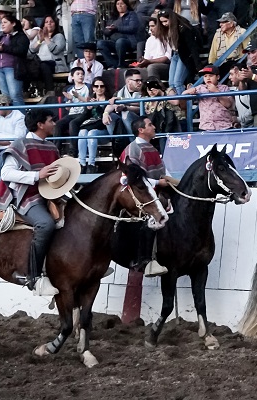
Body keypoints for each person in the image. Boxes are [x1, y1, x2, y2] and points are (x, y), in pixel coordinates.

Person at [0, 109, 70, 296]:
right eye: (51, 120)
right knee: (45, 224)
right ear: (40, 124)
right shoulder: (20, 144)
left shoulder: (52, 147)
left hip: (51, 195)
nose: (55, 124)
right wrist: (37, 175)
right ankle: (33, 275)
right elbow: (6, 173)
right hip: (27, 196)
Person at [120, 116, 168, 277]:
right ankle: (146, 260)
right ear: (141, 130)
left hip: (154, 190)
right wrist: (159, 183)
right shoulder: (133, 150)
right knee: (156, 212)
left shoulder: (152, 148)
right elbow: (132, 180)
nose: (154, 127)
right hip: (139, 195)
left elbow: (163, 171)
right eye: (150, 125)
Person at [157, 9, 202, 96]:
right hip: (175, 54)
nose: (164, 24)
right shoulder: (168, 29)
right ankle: (177, 104)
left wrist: (198, 66)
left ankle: (183, 105)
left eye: (165, 21)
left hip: (184, 56)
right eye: (162, 22)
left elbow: (192, 47)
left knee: (178, 82)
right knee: (171, 83)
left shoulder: (184, 28)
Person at [180, 65, 233, 130]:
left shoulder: (224, 88)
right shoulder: (200, 88)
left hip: (224, 125)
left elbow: (228, 104)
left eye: (210, 76)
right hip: (206, 126)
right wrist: (189, 91)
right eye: (205, 76)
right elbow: (183, 95)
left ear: (218, 77)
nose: (208, 78)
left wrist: (216, 92)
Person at [0, 14, 29, 106]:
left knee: (15, 95)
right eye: (1, 23)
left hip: (12, 68)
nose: (2, 25)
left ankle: (20, 118)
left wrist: (3, 48)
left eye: (5, 22)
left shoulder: (21, 36)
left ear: (13, 24)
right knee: (5, 98)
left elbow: (21, 50)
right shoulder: (0, 36)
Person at [103, 69, 144, 153]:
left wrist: (124, 107)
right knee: (110, 115)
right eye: (137, 80)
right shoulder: (119, 93)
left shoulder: (144, 91)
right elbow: (111, 104)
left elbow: (141, 106)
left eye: (141, 80)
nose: (140, 83)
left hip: (140, 120)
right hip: (124, 123)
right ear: (128, 81)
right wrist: (105, 113)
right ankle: (117, 145)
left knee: (126, 113)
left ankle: (134, 146)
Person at [55, 67, 91, 156]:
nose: (81, 76)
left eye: (82, 74)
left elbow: (90, 101)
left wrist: (78, 96)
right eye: (78, 74)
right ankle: (56, 150)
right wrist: (70, 100)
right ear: (72, 77)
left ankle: (73, 151)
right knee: (58, 124)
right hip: (72, 113)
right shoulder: (69, 89)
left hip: (84, 112)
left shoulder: (88, 86)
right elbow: (67, 108)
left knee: (73, 123)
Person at [77, 77, 110, 174]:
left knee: (92, 133)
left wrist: (97, 106)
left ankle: (91, 164)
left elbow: (105, 120)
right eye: (96, 86)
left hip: (105, 131)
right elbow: (85, 118)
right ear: (93, 88)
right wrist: (88, 108)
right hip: (91, 129)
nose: (99, 88)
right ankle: (82, 163)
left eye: (102, 86)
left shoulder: (108, 100)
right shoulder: (90, 100)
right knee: (82, 132)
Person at [29, 15, 67, 96]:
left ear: (55, 24)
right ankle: (26, 92)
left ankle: (50, 91)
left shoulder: (59, 36)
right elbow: (31, 51)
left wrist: (46, 38)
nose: (49, 23)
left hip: (54, 64)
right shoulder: (39, 37)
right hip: (39, 64)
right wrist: (40, 40)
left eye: (51, 22)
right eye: (46, 22)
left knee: (44, 65)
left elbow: (55, 50)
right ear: (43, 25)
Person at [97, 0, 141, 69]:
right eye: (117, 4)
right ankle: (112, 64)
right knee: (100, 43)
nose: (119, 6)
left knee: (120, 41)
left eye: (122, 4)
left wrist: (117, 28)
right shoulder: (113, 17)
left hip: (128, 41)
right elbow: (105, 32)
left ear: (126, 5)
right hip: (114, 42)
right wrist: (109, 30)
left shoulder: (131, 14)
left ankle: (121, 65)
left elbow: (132, 28)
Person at [208, 12, 250, 76]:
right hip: (222, 64)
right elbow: (213, 52)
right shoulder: (217, 34)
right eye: (220, 22)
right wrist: (211, 65)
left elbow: (248, 50)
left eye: (223, 22)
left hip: (238, 63)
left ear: (231, 23)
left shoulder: (242, 32)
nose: (220, 24)